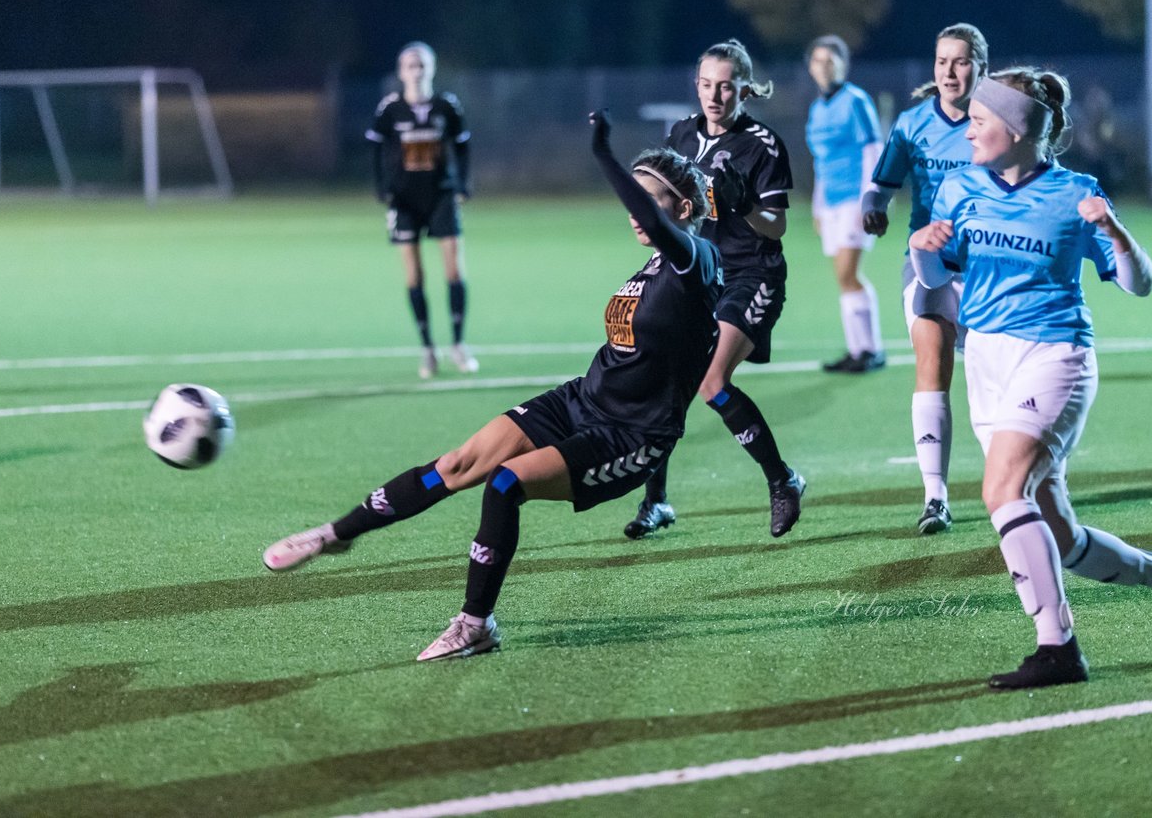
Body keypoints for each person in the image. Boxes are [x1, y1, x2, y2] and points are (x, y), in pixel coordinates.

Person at [263, 111, 722, 661]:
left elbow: (656, 222)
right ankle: (335, 535)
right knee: (458, 464)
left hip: (630, 436)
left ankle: (475, 624)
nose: (633, 214)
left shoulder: (697, 262)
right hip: (581, 400)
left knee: (505, 484)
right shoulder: (648, 269)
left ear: (684, 210)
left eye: (649, 201)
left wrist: (604, 155)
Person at [909, 67, 1152, 690]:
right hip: (987, 362)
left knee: (1000, 491)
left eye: (979, 120)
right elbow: (937, 278)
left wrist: (1112, 230)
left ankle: (1058, 647)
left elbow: (1140, 283)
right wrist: (921, 245)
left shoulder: (1076, 193)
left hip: (1055, 359)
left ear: (1018, 130)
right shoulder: (962, 188)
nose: (967, 131)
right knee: (1061, 534)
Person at [624, 38, 807, 540]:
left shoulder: (762, 145)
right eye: (706, 85)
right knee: (666, 380)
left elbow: (777, 227)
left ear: (743, 89)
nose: (715, 95)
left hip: (751, 273)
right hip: (698, 274)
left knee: (711, 381)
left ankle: (782, 481)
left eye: (726, 86)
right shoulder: (681, 134)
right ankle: (656, 500)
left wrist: (745, 204)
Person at [862, 23, 988, 535]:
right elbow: (882, 186)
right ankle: (935, 496)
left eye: (959, 62)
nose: (949, 72)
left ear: (981, 66)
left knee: (989, 374)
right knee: (931, 358)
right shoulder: (913, 124)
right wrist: (874, 209)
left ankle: (1026, 477)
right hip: (929, 264)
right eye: (941, 62)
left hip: (989, 269)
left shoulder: (996, 121)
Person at [365, 42, 477, 379]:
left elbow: (463, 145)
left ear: (431, 68)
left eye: (421, 64)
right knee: (414, 275)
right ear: (401, 72)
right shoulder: (389, 109)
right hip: (404, 200)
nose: (416, 70)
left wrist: (463, 185)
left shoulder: (447, 106)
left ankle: (458, 344)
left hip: (441, 195)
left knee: (454, 270)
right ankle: (427, 348)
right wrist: (382, 188)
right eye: (410, 65)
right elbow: (374, 148)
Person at [805, 35, 886, 373]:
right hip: (832, 202)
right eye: (818, 61)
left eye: (830, 60)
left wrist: (870, 201)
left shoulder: (856, 101)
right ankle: (859, 350)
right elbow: (821, 163)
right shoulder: (816, 108)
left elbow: (872, 150)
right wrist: (818, 207)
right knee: (844, 278)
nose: (823, 67)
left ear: (842, 65)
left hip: (855, 200)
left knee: (848, 273)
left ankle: (869, 350)